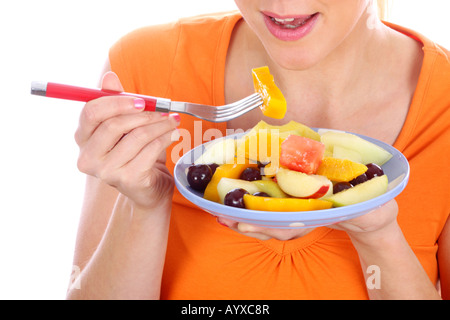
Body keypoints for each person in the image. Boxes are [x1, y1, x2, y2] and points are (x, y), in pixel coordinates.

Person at [66, 0, 449, 300]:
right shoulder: (145, 69)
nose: (281, 4)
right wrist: (143, 206)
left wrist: (378, 236)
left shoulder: (443, 101)